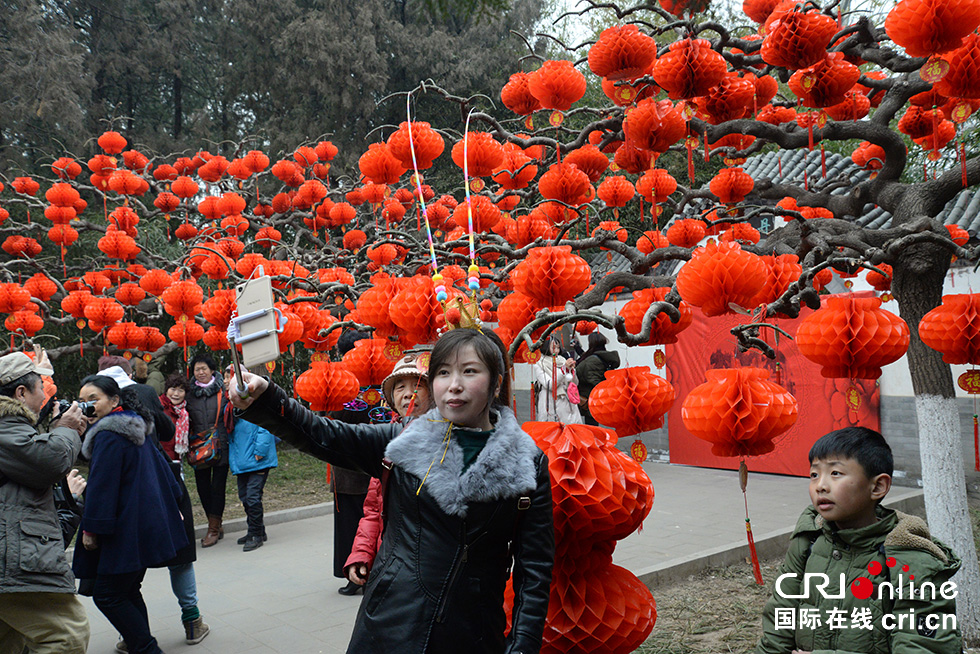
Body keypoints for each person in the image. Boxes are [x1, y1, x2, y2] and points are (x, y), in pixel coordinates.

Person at [230, 328, 554, 654]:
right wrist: (267, 398)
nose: (454, 384)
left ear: (496, 382)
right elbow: (322, 434)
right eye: (443, 372)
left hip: (473, 632)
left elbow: (534, 569)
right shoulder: (401, 441)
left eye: (469, 371)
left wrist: (523, 645)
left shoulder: (527, 462)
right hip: (389, 622)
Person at [755, 427, 961, 654]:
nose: (820, 486)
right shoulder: (809, 539)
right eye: (814, 474)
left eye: (835, 473)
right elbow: (780, 619)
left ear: (878, 486)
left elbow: (923, 646)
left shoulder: (910, 558)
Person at [71, 374, 188, 654]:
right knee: (127, 589)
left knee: (108, 595)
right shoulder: (136, 426)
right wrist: (175, 504)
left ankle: (146, 648)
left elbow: (102, 488)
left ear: (114, 401)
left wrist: (91, 530)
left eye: (94, 399)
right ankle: (137, 643)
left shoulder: (108, 435)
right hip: (144, 524)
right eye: (82, 400)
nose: (88, 406)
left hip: (124, 529)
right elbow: (163, 467)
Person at [102, 367, 210, 648]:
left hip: (137, 496)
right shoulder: (147, 399)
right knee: (180, 560)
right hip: (168, 481)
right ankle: (192, 622)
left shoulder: (112, 422)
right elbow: (167, 429)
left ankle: (134, 634)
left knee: (131, 572)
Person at [0, 352, 90, 654]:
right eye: (42, 386)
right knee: (66, 636)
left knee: (10, 641)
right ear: (21, 393)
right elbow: (51, 460)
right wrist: (65, 428)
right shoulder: (4, 427)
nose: (46, 394)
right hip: (12, 559)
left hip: (11, 556)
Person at [343, 353, 431, 593]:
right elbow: (373, 511)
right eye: (400, 387)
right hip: (391, 563)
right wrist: (361, 553)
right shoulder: (388, 446)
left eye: (418, 386)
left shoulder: (448, 441)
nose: (408, 394)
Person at [331, 331, 373, 596]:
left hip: (351, 462)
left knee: (353, 522)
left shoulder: (343, 382)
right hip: (367, 461)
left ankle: (355, 575)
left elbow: (334, 417)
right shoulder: (373, 379)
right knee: (367, 522)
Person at [223, 365, 277, 552]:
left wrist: (260, 450)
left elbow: (265, 427)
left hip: (256, 457)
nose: (224, 381)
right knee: (245, 497)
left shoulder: (254, 400)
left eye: (228, 377)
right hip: (242, 459)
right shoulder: (231, 404)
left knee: (253, 497)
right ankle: (257, 530)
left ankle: (255, 534)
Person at [186, 353, 230, 547]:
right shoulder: (188, 393)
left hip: (220, 445)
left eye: (204, 368)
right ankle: (215, 523)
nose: (201, 372)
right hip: (198, 447)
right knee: (203, 488)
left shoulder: (223, 389)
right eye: (197, 369)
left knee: (218, 487)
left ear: (212, 370)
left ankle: (213, 529)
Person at [533, 336, 582, 424]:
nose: (557, 350)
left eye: (558, 348)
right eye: (554, 347)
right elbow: (550, 385)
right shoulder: (539, 364)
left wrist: (571, 371)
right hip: (550, 402)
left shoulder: (562, 360)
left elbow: (574, 383)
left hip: (567, 402)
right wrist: (564, 370)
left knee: (570, 430)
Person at [574, 332, 620, 426]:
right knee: (593, 422)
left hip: (589, 396)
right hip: (598, 396)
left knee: (591, 425)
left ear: (591, 343)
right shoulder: (603, 356)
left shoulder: (591, 361)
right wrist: (577, 348)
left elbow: (584, 373)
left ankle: (593, 440)